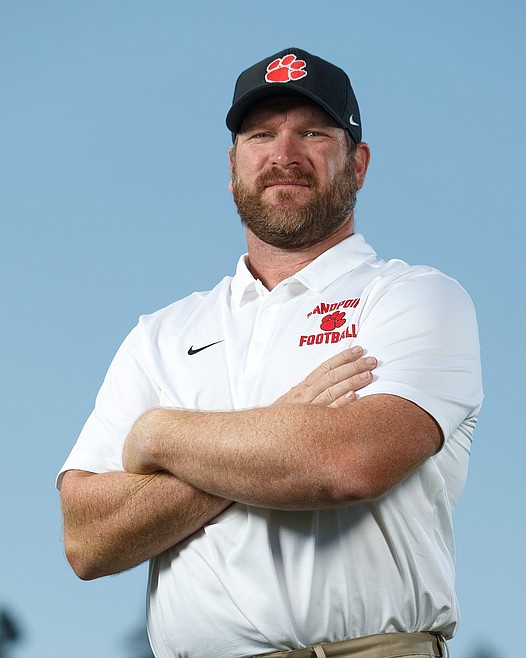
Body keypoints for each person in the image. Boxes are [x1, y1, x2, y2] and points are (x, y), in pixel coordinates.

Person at [57, 48, 483, 658]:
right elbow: (87, 538)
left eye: (312, 132)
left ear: (359, 163)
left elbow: (348, 463)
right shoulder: (161, 334)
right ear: (233, 165)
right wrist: (286, 425)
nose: (284, 154)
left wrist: (159, 435)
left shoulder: (413, 297)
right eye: (261, 135)